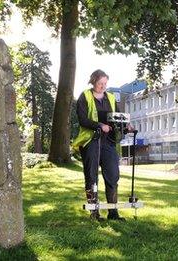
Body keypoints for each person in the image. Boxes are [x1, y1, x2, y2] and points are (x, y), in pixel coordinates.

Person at [72, 69, 132, 221]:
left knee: (112, 176)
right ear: (93, 82)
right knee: (92, 177)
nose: (103, 86)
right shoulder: (85, 96)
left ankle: (113, 213)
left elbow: (118, 118)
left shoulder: (111, 98)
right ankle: (95, 213)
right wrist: (99, 125)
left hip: (108, 142)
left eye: (105, 83)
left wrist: (127, 126)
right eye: (100, 83)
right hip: (91, 141)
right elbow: (83, 120)